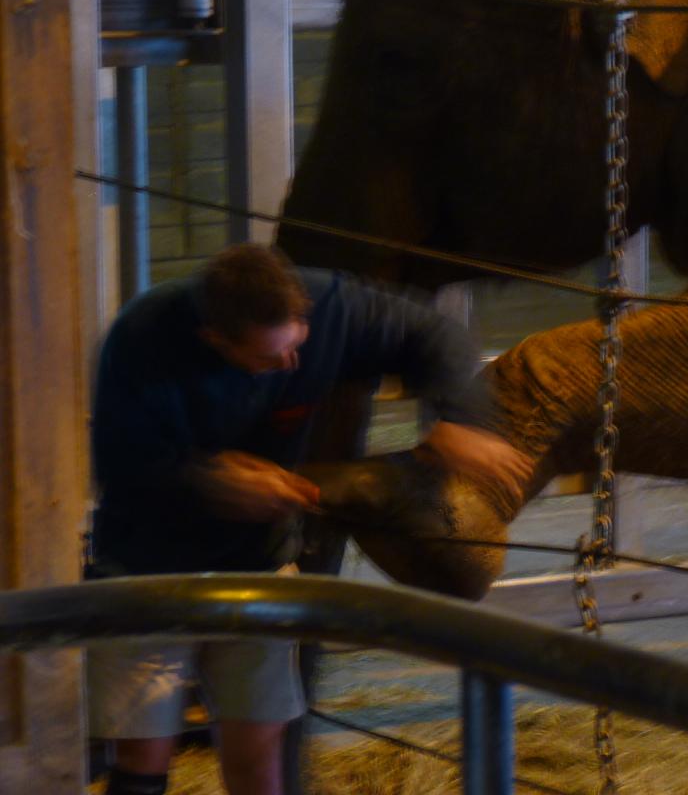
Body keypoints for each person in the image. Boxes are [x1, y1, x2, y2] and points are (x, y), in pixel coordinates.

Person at [85, 242, 533, 795]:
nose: (289, 365)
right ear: (214, 339)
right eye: (267, 360)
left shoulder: (332, 308)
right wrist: (210, 480)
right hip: (146, 566)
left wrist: (460, 417)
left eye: (297, 343)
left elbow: (435, 336)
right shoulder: (141, 339)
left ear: (301, 310)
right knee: (143, 754)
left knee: (259, 750)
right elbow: (120, 462)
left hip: (257, 564)